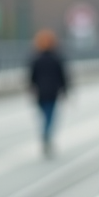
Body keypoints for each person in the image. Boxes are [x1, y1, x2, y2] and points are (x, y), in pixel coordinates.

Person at [29, 29, 70, 157]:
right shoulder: (56, 58)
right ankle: (47, 135)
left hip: (40, 92)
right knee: (50, 116)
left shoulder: (36, 58)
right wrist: (65, 90)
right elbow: (63, 76)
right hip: (53, 91)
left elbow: (32, 77)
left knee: (44, 115)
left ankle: (45, 134)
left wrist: (32, 89)